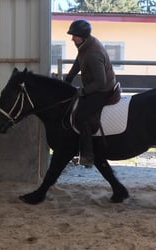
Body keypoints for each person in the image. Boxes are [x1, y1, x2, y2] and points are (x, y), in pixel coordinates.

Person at [64, 19, 119, 167]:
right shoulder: (84, 45)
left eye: (74, 35)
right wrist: (68, 79)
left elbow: (100, 82)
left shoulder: (93, 53)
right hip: (96, 85)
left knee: (82, 117)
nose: (72, 38)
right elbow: (79, 61)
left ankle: (88, 156)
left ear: (82, 36)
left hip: (103, 89)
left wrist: (83, 91)